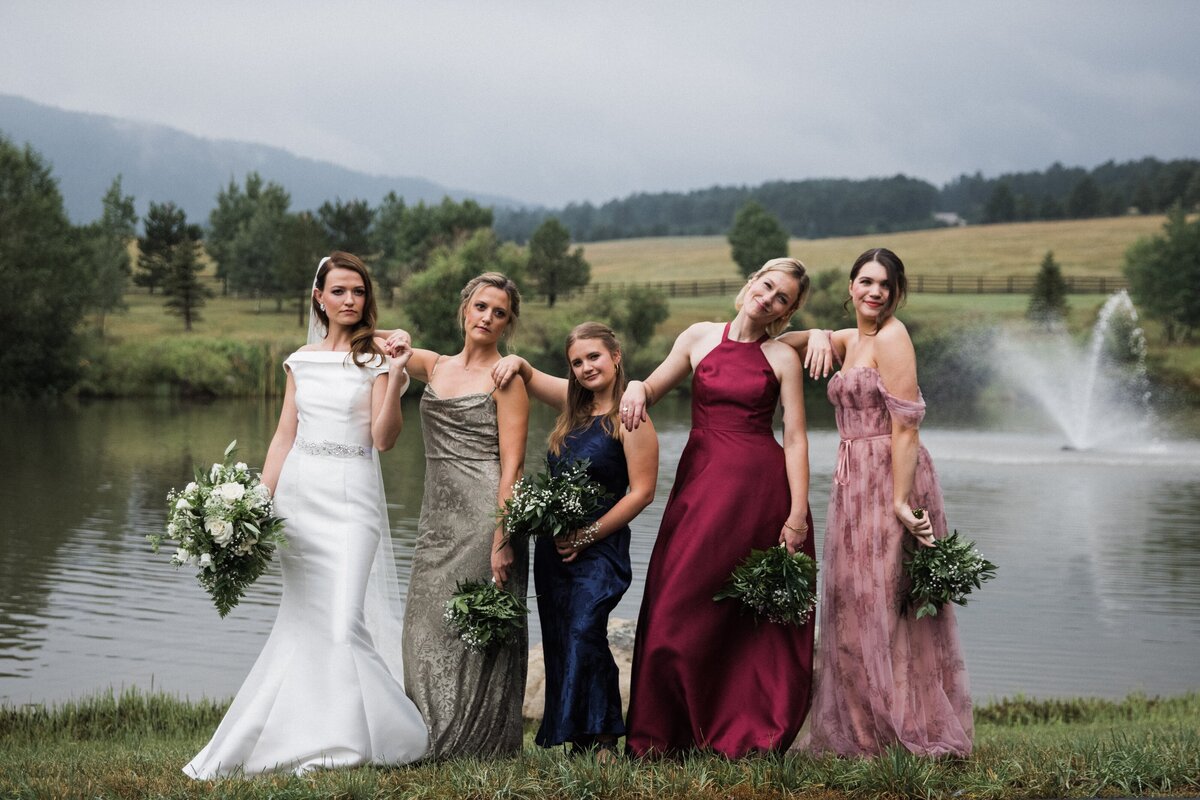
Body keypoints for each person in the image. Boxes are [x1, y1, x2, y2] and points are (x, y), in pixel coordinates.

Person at [184, 251, 428, 778]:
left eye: (357, 292)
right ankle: (310, 735)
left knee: (343, 623)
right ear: (318, 297)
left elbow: (384, 440)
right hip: (299, 499)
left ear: (368, 300)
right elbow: (283, 436)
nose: (348, 301)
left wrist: (396, 369)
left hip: (354, 497)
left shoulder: (381, 357)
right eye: (338, 291)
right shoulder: (300, 360)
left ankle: (358, 740)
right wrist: (255, 502)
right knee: (303, 624)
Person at [618, 257, 816, 758]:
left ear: (785, 312)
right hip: (701, 487)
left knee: (746, 618)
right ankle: (663, 735)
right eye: (767, 286)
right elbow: (654, 386)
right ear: (752, 282)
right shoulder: (699, 336)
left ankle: (739, 733)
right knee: (675, 601)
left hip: (760, 492)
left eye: (782, 299)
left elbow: (794, 437)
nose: (769, 298)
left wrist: (797, 513)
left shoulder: (781, 358)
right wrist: (637, 386)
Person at [781, 247, 974, 757]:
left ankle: (899, 729)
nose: (875, 292)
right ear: (849, 287)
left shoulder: (893, 337)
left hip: (891, 475)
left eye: (885, 285)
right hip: (851, 484)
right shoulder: (849, 340)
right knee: (851, 601)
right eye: (865, 281)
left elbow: (907, 424)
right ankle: (861, 730)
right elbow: (778, 342)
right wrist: (821, 334)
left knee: (887, 603)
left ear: (895, 293)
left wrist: (899, 500)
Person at [491, 322, 658, 759]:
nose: (586, 367)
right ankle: (578, 739)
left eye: (594, 357)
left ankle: (605, 736)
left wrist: (586, 536)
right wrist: (517, 361)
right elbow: (527, 374)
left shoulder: (630, 416)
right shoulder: (573, 410)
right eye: (577, 362)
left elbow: (642, 492)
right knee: (562, 634)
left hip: (600, 546)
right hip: (554, 547)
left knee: (587, 629)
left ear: (616, 356)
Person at [384, 273, 530, 760]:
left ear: (508, 323)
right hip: (436, 517)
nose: (487, 317)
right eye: (482, 306)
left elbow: (513, 464)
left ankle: (476, 745)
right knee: (424, 626)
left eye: (500, 312)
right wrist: (400, 337)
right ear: (465, 309)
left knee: (476, 629)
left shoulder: (505, 379)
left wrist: (502, 535)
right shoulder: (434, 365)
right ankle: (422, 736)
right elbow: (382, 342)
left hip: (485, 513)